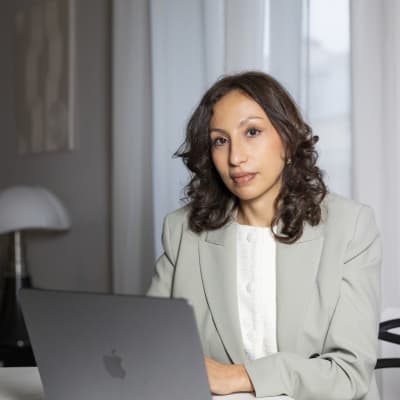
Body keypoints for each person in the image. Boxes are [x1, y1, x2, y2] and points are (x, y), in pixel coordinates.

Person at [147, 71, 381, 400]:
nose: (235, 157)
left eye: (252, 132)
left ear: (287, 139)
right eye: (220, 140)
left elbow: (349, 373)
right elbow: (150, 349)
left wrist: (240, 377)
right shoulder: (182, 231)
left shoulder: (351, 226)